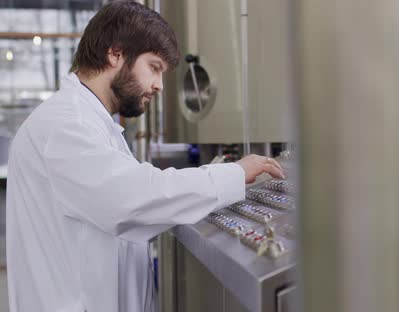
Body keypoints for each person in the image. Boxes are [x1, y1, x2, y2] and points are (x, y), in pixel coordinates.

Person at [6, 1, 285, 311]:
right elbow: (131, 198)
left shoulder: (92, 122)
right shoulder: (64, 124)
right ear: (115, 53)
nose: (159, 85)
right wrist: (233, 174)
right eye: (154, 67)